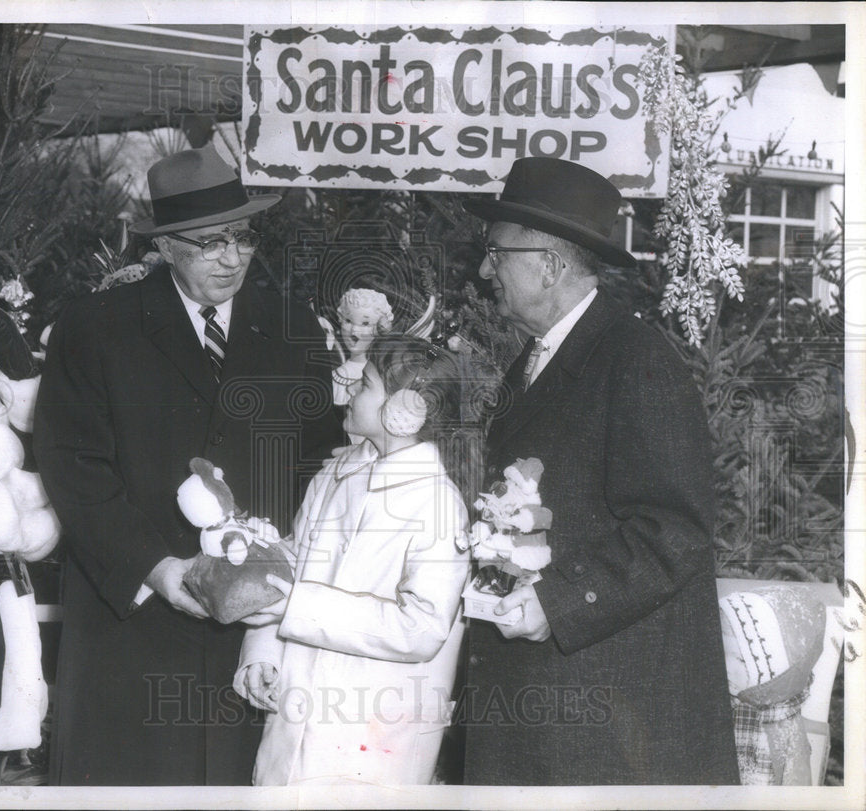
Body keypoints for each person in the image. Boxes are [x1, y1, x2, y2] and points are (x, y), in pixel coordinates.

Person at [33, 144, 344, 786]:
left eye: (242, 237)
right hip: (132, 621)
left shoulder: (291, 327)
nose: (232, 257)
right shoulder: (96, 327)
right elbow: (73, 466)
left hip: (250, 634)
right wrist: (159, 568)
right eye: (209, 243)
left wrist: (277, 573)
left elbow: (316, 464)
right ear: (167, 247)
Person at [460, 157, 739, 785]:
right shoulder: (542, 358)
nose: (484, 270)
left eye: (496, 253)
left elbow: (675, 531)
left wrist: (557, 602)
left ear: (549, 265)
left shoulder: (637, 362)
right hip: (556, 707)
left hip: (605, 720)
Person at [234, 336, 473, 785]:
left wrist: (299, 609)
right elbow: (287, 568)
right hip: (293, 724)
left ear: (405, 410)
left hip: (374, 740)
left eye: (363, 384)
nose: (343, 392)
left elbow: (422, 628)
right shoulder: (333, 475)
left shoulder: (438, 503)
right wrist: (262, 653)